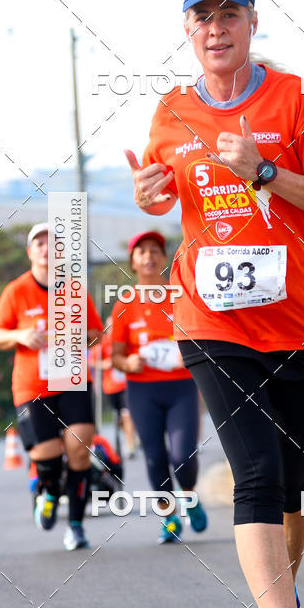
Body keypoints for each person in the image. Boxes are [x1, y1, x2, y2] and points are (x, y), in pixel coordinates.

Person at [124, 0, 304, 608]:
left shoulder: (297, 101)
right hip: (213, 322)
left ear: (253, 23)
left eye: (228, 15)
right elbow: (164, 194)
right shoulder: (171, 112)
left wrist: (267, 172)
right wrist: (149, 197)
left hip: (301, 322)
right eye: (202, 18)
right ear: (187, 31)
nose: (215, 29)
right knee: (254, 473)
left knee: (291, 484)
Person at [0, 223, 103, 550]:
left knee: (79, 451)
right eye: (38, 243)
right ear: (30, 252)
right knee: (48, 457)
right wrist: (20, 336)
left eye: (51, 242)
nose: (45, 247)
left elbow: (97, 333)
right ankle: (50, 490)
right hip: (33, 386)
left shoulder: (75, 290)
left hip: (72, 380)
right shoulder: (16, 291)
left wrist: (78, 337)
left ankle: (77, 526)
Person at [110, 231, 207, 543]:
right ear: (133, 262)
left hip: (181, 388)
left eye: (155, 251)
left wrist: (186, 354)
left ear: (165, 260)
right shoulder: (125, 304)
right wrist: (129, 364)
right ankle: (168, 517)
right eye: (142, 252)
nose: (149, 257)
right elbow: (115, 357)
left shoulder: (181, 296)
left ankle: (189, 497)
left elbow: (199, 338)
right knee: (154, 457)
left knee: (183, 456)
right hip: (142, 391)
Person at [89, 327, 137, 459]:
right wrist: (105, 364)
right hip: (110, 386)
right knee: (120, 417)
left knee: (127, 414)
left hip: (126, 384)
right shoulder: (102, 342)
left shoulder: (126, 339)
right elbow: (93, 362)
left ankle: (130, 445)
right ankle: (130, 435)